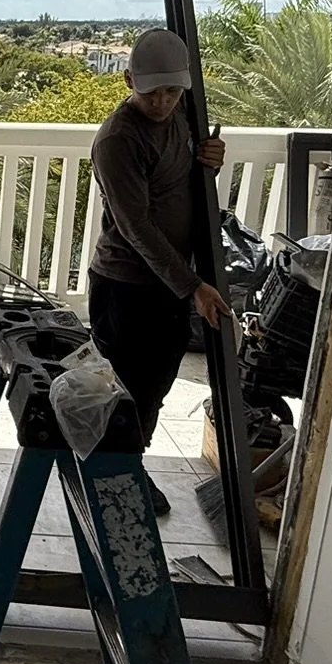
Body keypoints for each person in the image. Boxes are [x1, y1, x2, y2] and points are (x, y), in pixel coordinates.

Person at [86, 27, 228, 513]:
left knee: (153, 388)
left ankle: (128, 469)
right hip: (126, 287)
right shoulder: (118, 140)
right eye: (152, 93)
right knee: (121, 390)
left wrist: (209, 161)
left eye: (172, 91)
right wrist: (194, 287)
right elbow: (137, 227)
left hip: (169, 283)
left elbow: (183, 179)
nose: (163, 102)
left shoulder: (185, 117)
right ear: (128, 81)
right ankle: (110, 479)